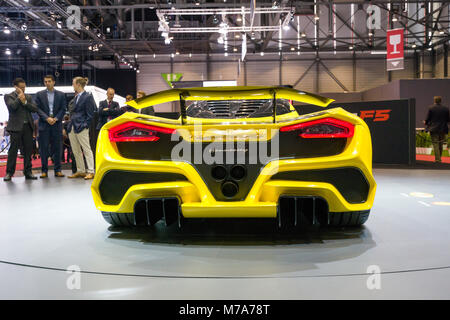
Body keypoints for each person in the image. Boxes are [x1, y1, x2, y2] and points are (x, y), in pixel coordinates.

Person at [3, 78, 38, 181]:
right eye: (21, 88)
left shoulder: (28, 97)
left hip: (28, 127)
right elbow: (12, 107)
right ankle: (9, 173)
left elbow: (34, 109)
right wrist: (19, 98)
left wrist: (25, 102)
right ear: (16, 87)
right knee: (13, 151)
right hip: (15, 128)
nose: (23, 89)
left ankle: (28, 172)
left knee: (28, 151)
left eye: (24, 87)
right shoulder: (8, 96)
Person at [34, 75, 67, 178]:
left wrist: (56, 118)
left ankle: (58, 170)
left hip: (56, 125)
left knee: (57, 148)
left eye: (49, 81)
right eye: (45, 82)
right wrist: (46, 118)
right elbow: (37, 109)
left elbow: (63, 109)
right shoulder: (39, 94)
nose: (47, 83)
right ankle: (44, 171)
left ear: (54, 82)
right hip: (44, 125)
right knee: (43, 149)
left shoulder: (61, 95)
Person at [67, 77, 97, 180]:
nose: (72, 85)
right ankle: (80, 171)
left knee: (86, 149)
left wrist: (85, 125)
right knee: (76, 150)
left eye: (73, 83)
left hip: (81, 127)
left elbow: (90, 114)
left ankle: (91, 171)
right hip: (72, 126)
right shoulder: (76, 97)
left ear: (78, 84)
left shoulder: (87, 97)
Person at [424, 96, 450, 163]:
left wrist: (425, 122)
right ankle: (439, 158)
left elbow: (428, 118)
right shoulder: (446, 109)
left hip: (434, 129)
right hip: (443, 129)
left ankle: (438, 160)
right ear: (440, 101)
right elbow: (448, 120)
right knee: (440, 144)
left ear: (434, 101)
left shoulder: (431, 108)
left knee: (435, 144)